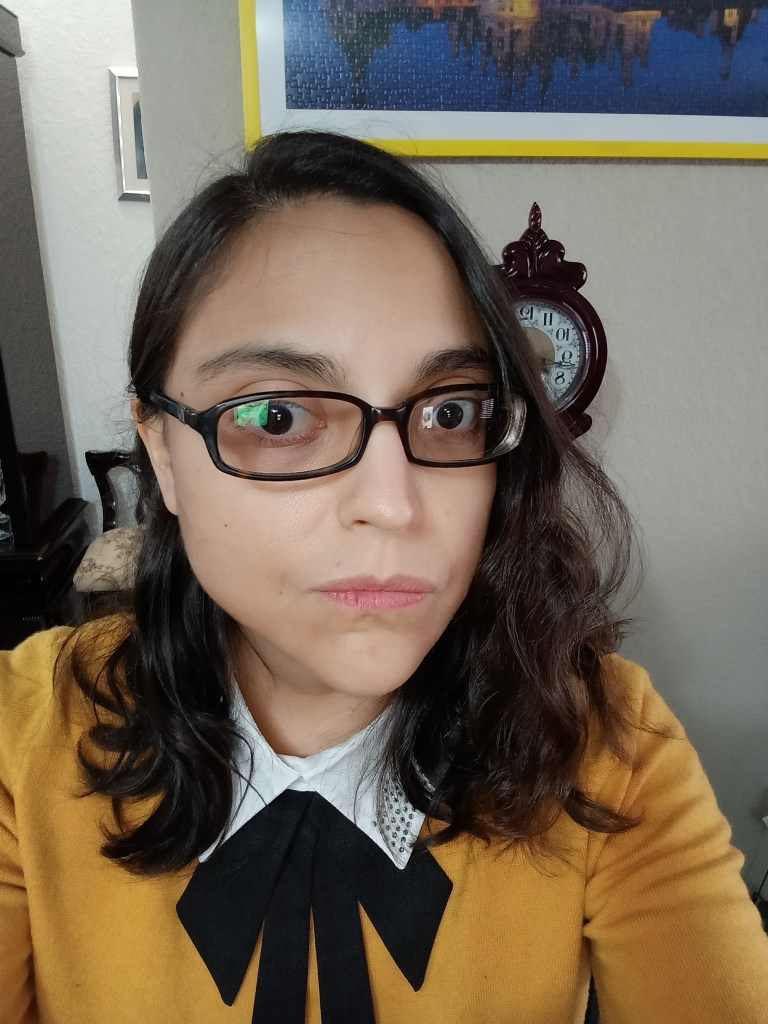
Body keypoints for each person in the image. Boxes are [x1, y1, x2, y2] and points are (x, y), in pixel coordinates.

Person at [1, 131, 766, 1024]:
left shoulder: (607, 743)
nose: (395, 505)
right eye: (278, 416)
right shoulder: (25, 738)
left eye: (450, 411)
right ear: (163, 450)